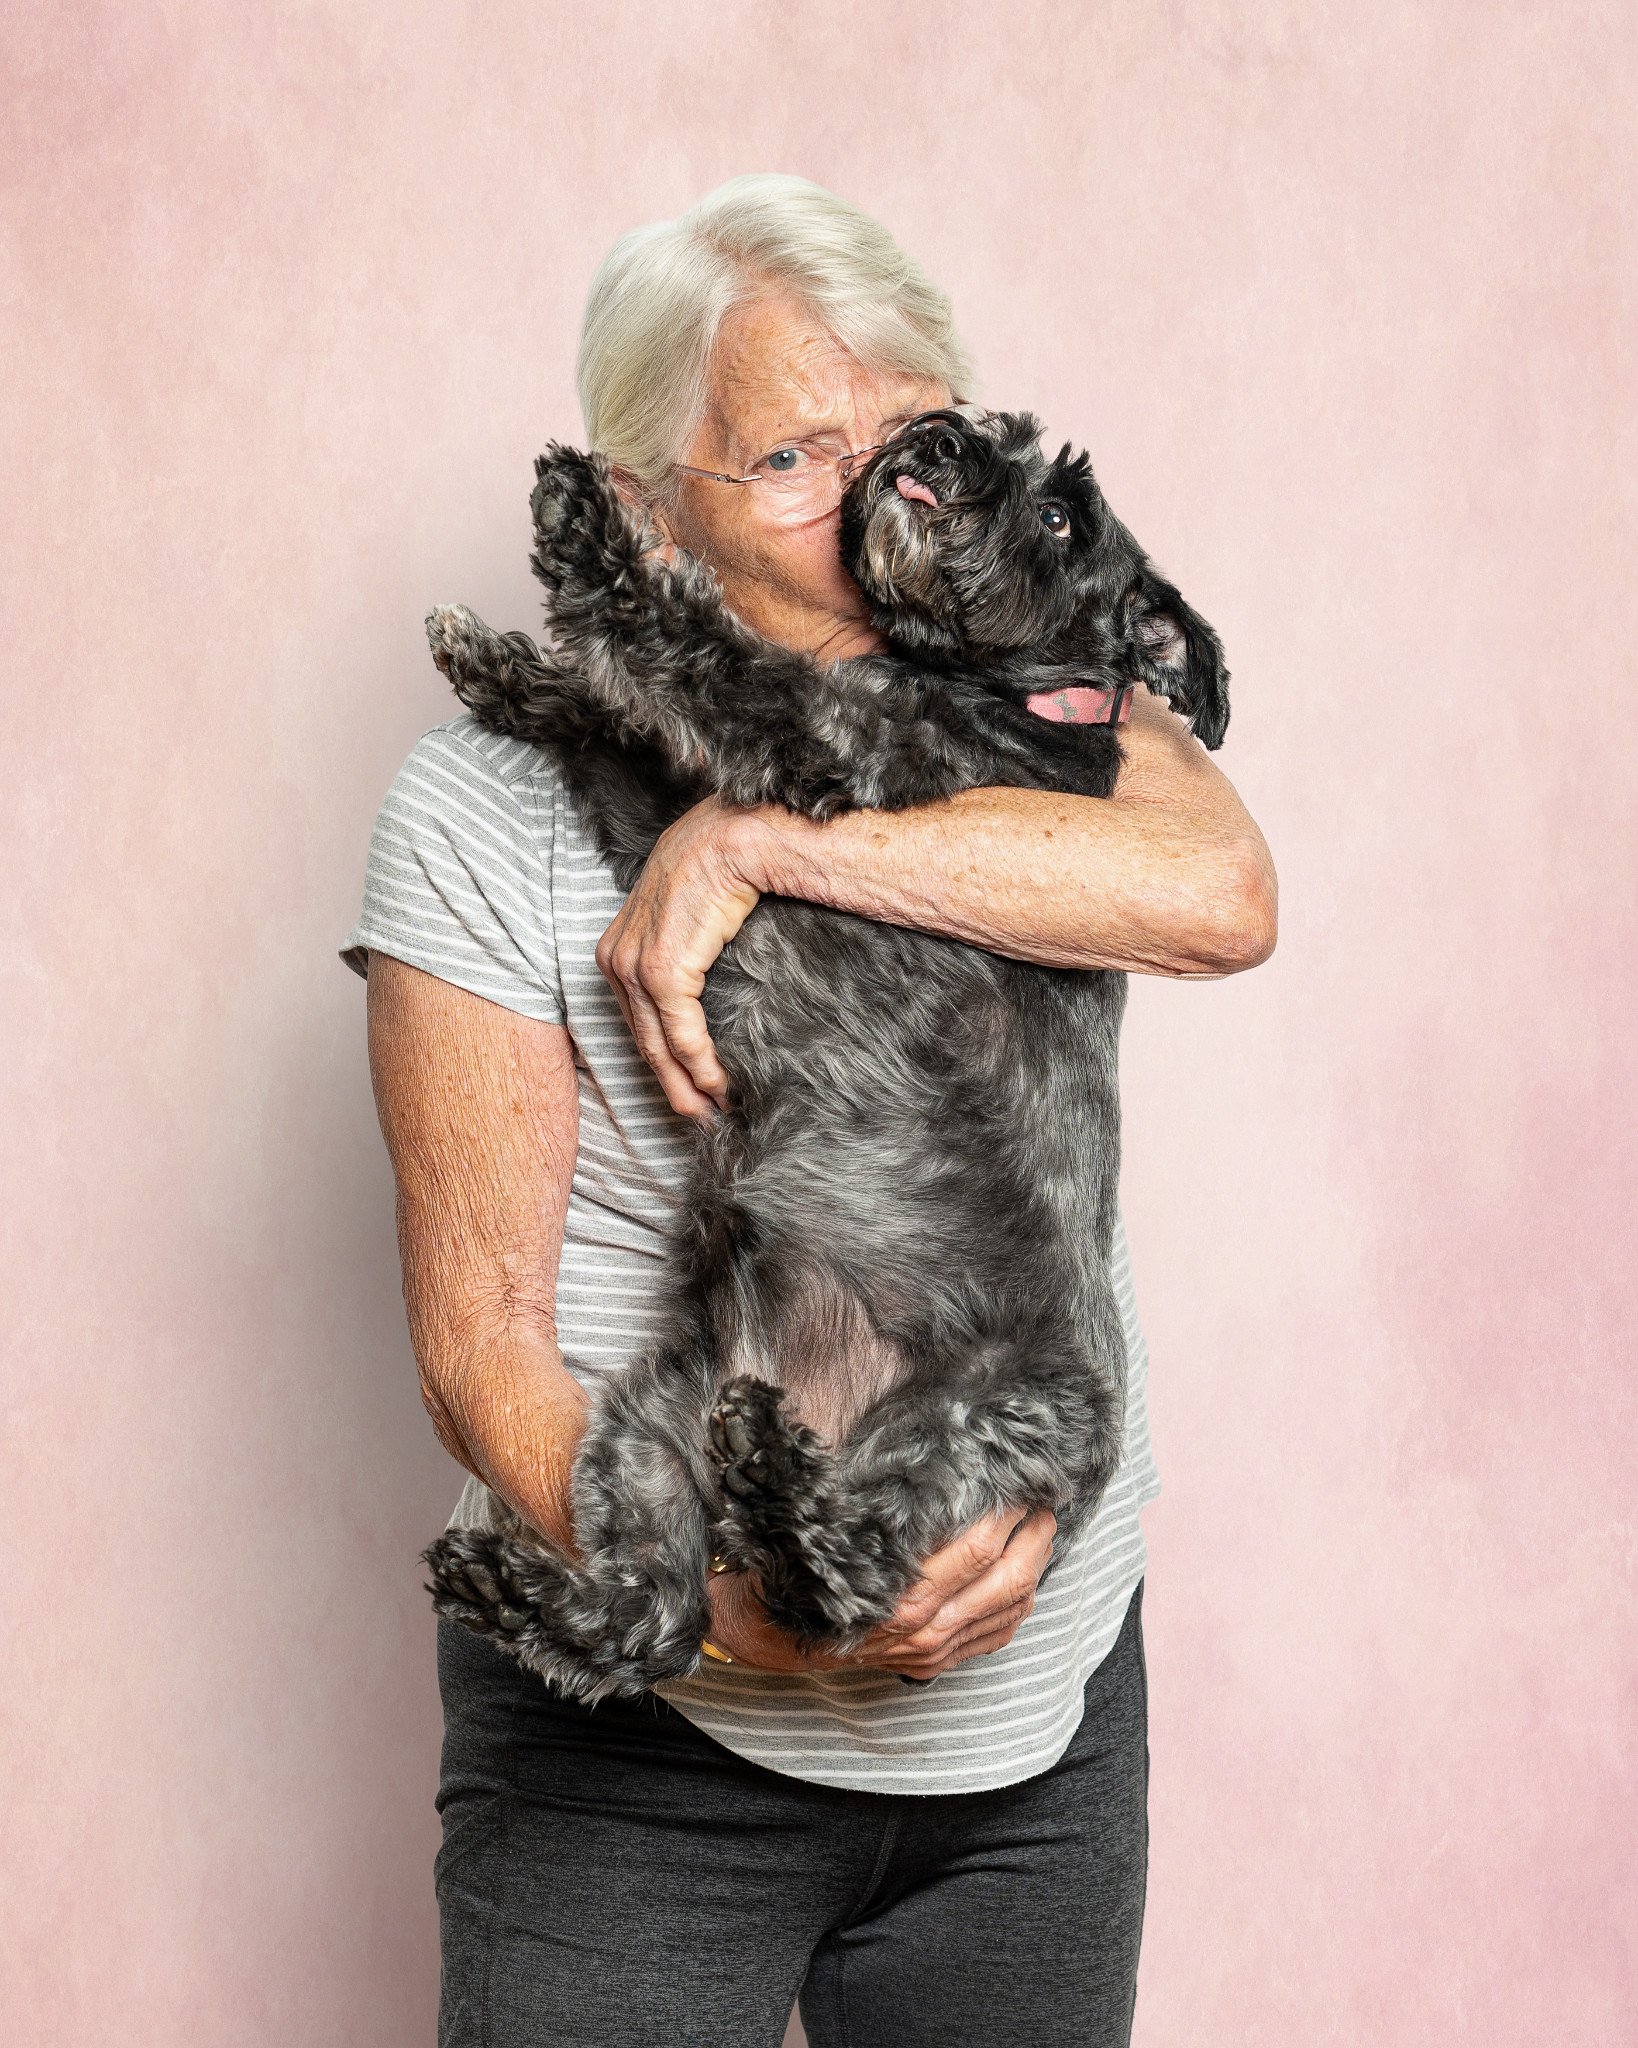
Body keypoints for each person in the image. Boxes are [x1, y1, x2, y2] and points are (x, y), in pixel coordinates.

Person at [341, 174, 1276, 2048]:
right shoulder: (478, 813)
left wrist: (768, 839)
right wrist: (711, 1605)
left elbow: (1218, 895)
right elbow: (475, 1349)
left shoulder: (1038, 701)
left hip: (1039, 1721)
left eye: (909, 444)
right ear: (635, 514)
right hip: (650, 1744)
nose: (876, 514)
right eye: (788, 456)